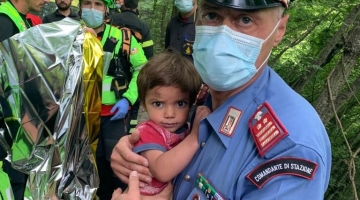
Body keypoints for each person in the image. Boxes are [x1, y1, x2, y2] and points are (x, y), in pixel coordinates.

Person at [110, 0, 332, 199]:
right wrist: (135, 156)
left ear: (280, 29)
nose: (222, 35)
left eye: (245, 19)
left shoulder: (290, 147)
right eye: (212, 15)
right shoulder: (204, 93)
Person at [78, 0, 147, 199]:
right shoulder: (70, 35)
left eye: (98, 4)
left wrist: (129, 98)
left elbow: (142, 68)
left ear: (106, 9)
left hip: (113, 114)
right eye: (87, 3)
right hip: (81, 116)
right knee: (89, 161)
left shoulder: (122, 37)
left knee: (116, 161)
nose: (92, 9)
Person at [131, 51, 210, 198]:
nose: (169, 114)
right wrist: (194, 138)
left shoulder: (184, 128)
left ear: (191, 103)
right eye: (158, 104)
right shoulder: (148, 131)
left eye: (180, 103)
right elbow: (161, 171)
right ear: (144, 104)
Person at [0, 0, 49, 198]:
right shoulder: (4, 21)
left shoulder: (24, 22)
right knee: (13, 182)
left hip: (21, 122)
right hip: (8, 125)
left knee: (21, 178)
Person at [109, 0, 154, 135]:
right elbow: (148, 54)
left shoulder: (112, 19)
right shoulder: (143, 25)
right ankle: (131, 133)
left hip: (114, 72)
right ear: (136, 6)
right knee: (133, 107)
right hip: (135, 72)